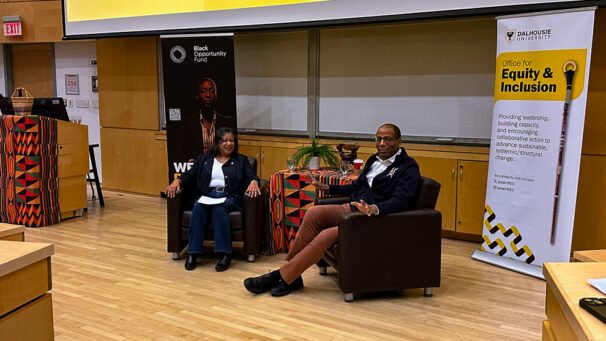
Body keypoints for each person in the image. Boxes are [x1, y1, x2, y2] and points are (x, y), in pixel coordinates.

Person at [243, 123, 421, 296]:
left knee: (325, 235)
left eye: (387, 139)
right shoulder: (373, 159)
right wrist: (328, 188)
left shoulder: (408, 166)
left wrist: (374, 209)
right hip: (352, 208)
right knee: (313, 212)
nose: (382, 143)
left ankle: (281, 276)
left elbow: (402, 201)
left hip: (374, 218)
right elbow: (356, 187)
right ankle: (292, 275)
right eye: (379, 139)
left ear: (399, 142)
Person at [166, 127, 261, 272]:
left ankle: (225, 254)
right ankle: (193, 253)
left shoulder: (241, 160)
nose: (229, 144)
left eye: (231, 140)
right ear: (217, 143)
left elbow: (251, 176)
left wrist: (254, 182)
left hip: (229, 196)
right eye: (225, 141)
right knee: (198, 207)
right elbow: (190, 174)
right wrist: (177, 181)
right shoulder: (205, 159)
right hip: (207, 195)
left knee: (219, 207)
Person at [196, 78, 232, 154]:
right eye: (203, 91)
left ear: (216, 96)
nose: (208, 95)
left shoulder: (227, 123)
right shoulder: (186, 124)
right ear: (197, 96)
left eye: (212, 91)